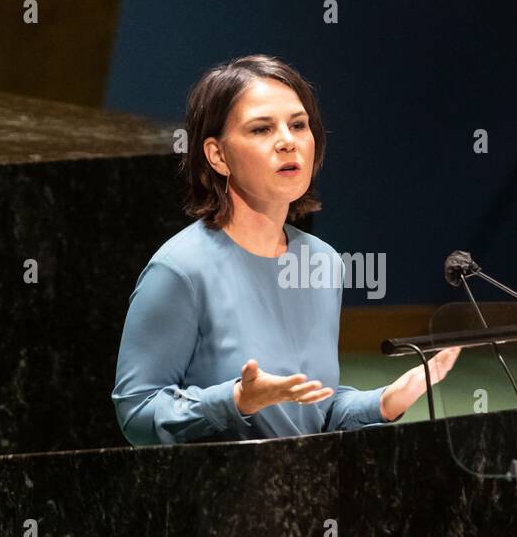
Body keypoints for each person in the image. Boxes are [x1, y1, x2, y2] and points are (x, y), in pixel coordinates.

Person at [112, 54, 460, 446]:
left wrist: (382, 402)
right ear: (218, 155)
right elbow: (137, 413)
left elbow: (314, 412)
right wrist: (236, 400)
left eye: (298, 124)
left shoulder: (322, 262)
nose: (287, 141)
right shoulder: (180, 269)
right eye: (262, 129)